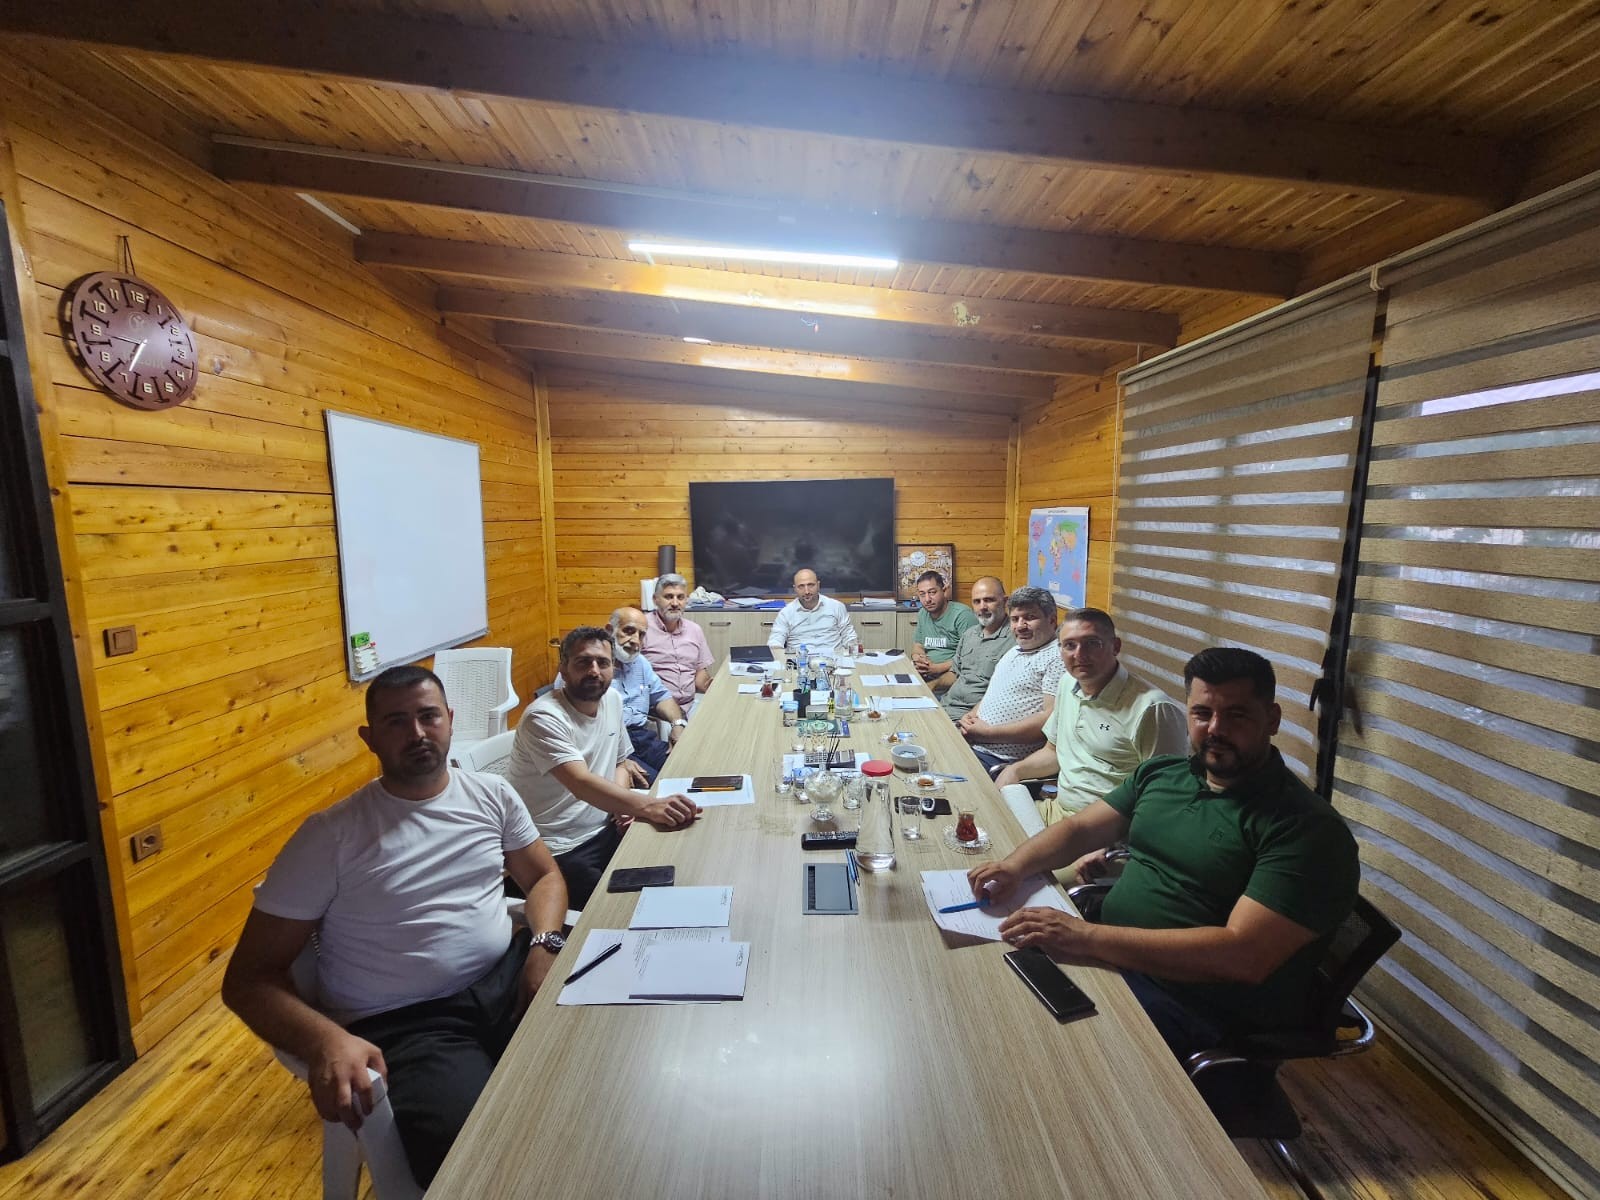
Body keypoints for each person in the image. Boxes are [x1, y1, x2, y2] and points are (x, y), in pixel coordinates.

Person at [221, 665, 569, 1187]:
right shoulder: (331, 836)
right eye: (396, 722)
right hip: (411, 1025)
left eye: (429, 717)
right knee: (484, 1159)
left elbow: (543, 876)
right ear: (370, 739)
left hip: (506, 980)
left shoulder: (491, 795)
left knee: (610, 1057)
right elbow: (248, 979)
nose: (418, 733)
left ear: (450, 720)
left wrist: (544, 944)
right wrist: (324, 1040)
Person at [969, 647, 1360, 1059]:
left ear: (1273, 719)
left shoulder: (1306, 830)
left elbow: (1241, 955)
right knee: (988, 987)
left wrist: (1084, 937)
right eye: (1202, 713)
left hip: (1191, 1003)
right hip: (1111, 957)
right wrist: (1014, 866)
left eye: (1237, 715)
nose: (1216, 729)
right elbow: (1079, 829)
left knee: (1028, 1045)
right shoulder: (1164, 774)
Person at [506, 626, 701, 908]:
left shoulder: (611, 700)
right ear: (563, 669)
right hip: (561, 847)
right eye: (583, 662)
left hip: (605, 827)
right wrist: (647, 806)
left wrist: (622, 810)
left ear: (613, 667)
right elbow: (581, 783)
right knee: (619, 910)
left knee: (677, 867)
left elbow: (621, 763)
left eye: (603, 663)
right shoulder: (544, 717)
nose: (594, 671)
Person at [996, 608, 1187, 826]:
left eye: (1092, 643)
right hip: (1056, 812)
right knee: (981, 822)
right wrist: (1015, 770)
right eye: (1070, 645)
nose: (1079, 654)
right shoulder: (1067, 683)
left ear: (1115, 646)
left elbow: (1163, 799)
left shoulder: (1152, 709)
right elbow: (1053, 752)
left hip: (1103, 833)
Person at [557, 607, 691, 783]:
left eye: (641, 635)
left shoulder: (640, 663)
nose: (635, 640)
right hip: (606, 744)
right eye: (628, 631)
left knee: (688, 767)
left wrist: (678, 724)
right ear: (609, 630)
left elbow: (661, 696)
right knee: (660, 784)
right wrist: (619, 760)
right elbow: (580, 731)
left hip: (641, 738)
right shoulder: (586, 674)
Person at [957, 586, 1065, 775]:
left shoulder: (1057, 657)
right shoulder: (1014, 650)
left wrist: (989, 734)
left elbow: (1049, 721)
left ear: (1052, 620)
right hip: (974, 745)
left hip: (1001, 761)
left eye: (1030, 617)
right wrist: (970, 717)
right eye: (1015, 619)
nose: (1020, 626)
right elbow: (993, 694)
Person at [939, 576, 1014, 720]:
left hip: (972, 717)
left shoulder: (1015, 639)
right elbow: (954, 674)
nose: (982, 607)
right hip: (946, 705)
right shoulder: (969, 634)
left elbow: (1008, 693)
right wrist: (930, 686)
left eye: (989, 600)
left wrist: (972, 719)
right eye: (977, 601)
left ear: (1005, 601)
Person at [642, 573, 713, 714]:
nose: (675, 603)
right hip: (656, 709)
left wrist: (714, 686)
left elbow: (700, 672)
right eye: (668, 597)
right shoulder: (642, 628)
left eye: (680, 597)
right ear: (655, 600)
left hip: (690, 704)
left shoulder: (695, 630)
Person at [766, 567, 858, 658]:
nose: (806, 591)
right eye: (801, 586)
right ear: (795, 589)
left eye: (810, 585)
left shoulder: (836, 606)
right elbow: (774, 644)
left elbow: (850, 637)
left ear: (818, 585)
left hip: (834, 660)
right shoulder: (786, 613)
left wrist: (853, 657)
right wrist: (781, 657)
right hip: (800, 661)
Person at [911, 569, 977, 689]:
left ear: (944, 591)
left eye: (932, 592)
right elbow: (918, 645)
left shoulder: (962, 615)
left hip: (952, 677)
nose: (927, 599)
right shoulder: (922, 613)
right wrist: (919, 658)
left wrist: (937, 668)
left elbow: (971, 657)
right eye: (922, 594)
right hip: (926, 674)